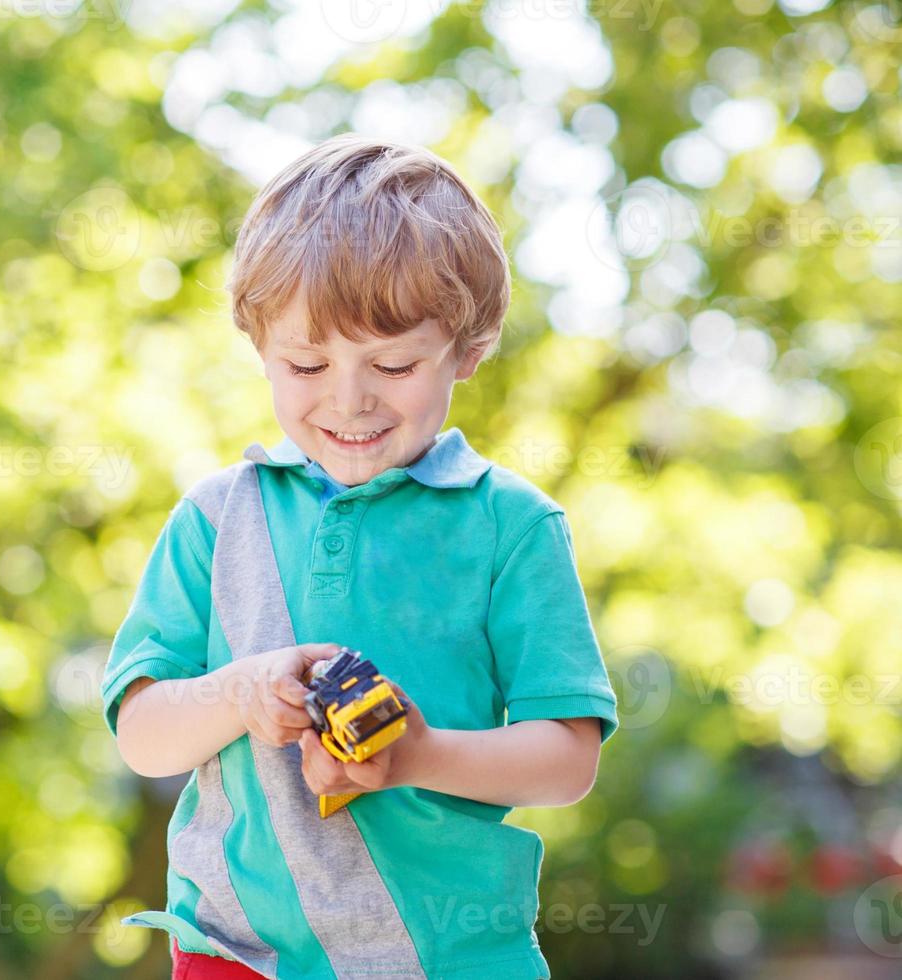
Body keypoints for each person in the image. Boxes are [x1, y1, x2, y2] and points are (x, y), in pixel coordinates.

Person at [99, 133, 620, 980]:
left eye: (395, 363)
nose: (350, 398)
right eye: (307, 364)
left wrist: (415, 754)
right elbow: (142, 735)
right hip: (238, 951)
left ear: (468, 348)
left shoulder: (511, 526)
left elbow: (568, 757)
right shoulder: (216, 518)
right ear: (259, 347)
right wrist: (243, 690)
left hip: (447, 956)